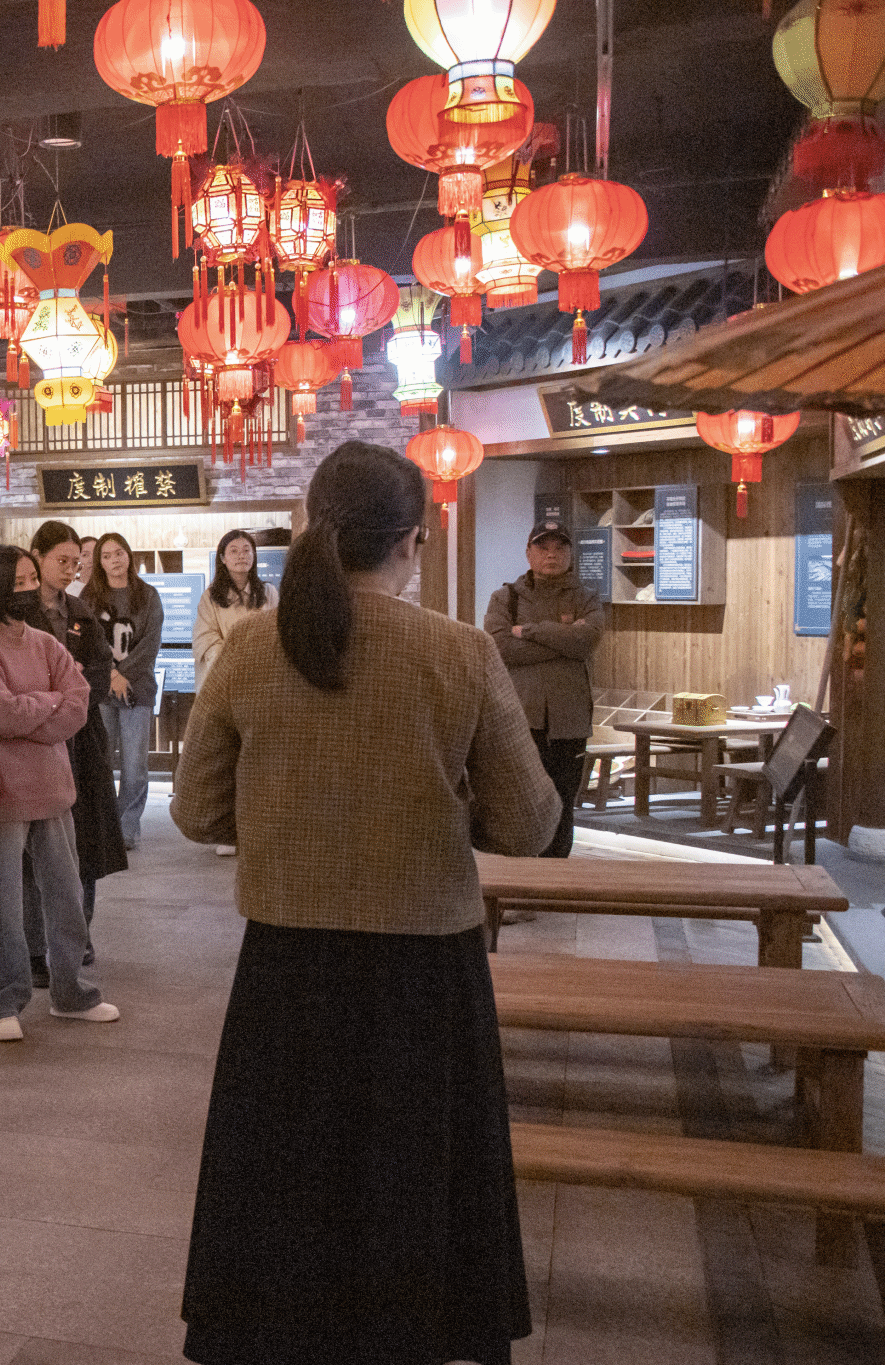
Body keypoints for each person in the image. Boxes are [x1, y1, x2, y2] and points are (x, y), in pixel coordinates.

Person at [169, 441, 558, 1365]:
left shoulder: (253, 647)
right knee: (413, 1177)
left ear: (315, 529)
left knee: (287, 1171)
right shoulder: (459, 652)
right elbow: (530, 823)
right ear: (412, 538)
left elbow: (194, 810)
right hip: (425, 968)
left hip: (285, 965)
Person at [0, 545, 117, 1040]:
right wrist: (48, 706)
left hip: (53, 788)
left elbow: (79, 702)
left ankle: (71, 993)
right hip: (3, 793)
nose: (31, 588)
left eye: (33, 579)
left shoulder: (47, 643)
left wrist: (33, 714)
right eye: (20, 582)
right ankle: (1, 1001)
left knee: (67, 896)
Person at [24, 521, 126, 972]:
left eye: (75, 562)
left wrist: (74, 688)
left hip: (81, 738)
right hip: (30, 741)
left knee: (83, 841)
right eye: (61, 561)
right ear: (37, 557)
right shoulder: (18, 612)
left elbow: (101, 671)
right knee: (33, 849)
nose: (70, 569)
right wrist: (60, 686)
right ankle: (34, 948)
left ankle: (78, 938)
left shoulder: (82, 611)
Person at [485, 518, 605, 859]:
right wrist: (563, 642)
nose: (551, 555)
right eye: (543, 547)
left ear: (570, 554)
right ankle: (521, 878)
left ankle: (556, 878)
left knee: (563, 803)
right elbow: (501, 648)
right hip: (520, 721)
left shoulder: (586, 597)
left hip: (570, 722)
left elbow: (586, 641)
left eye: (559, 548)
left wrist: (529, 631)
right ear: (528, 553)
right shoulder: (505, 599)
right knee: (519, 803)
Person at [191, 529, 275, 857]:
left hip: (263, 685)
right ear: (222, 558)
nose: (241, 555)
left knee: (258, 760)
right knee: (227, 761)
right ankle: (229, 831)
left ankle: (258, 829)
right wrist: (234, 659)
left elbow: (281, 631)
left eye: (247, 550)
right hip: (224, 686)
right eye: (234, 550)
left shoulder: (269, 592)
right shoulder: (211, 597)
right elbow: (205, 638)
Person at [83, 532, 163, 850]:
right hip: (101, 690)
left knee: (135, 767)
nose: (114, 560)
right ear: (99, 562)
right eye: (106, 556)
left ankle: (127, 828)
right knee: (101, 761)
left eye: (119, 553)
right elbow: (88, 642)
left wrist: (123, 674)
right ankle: (104, 827)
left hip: (138, 690)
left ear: (128, 555)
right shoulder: (90, 597)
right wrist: (112, 674)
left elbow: (151, 643)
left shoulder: (148, 595)